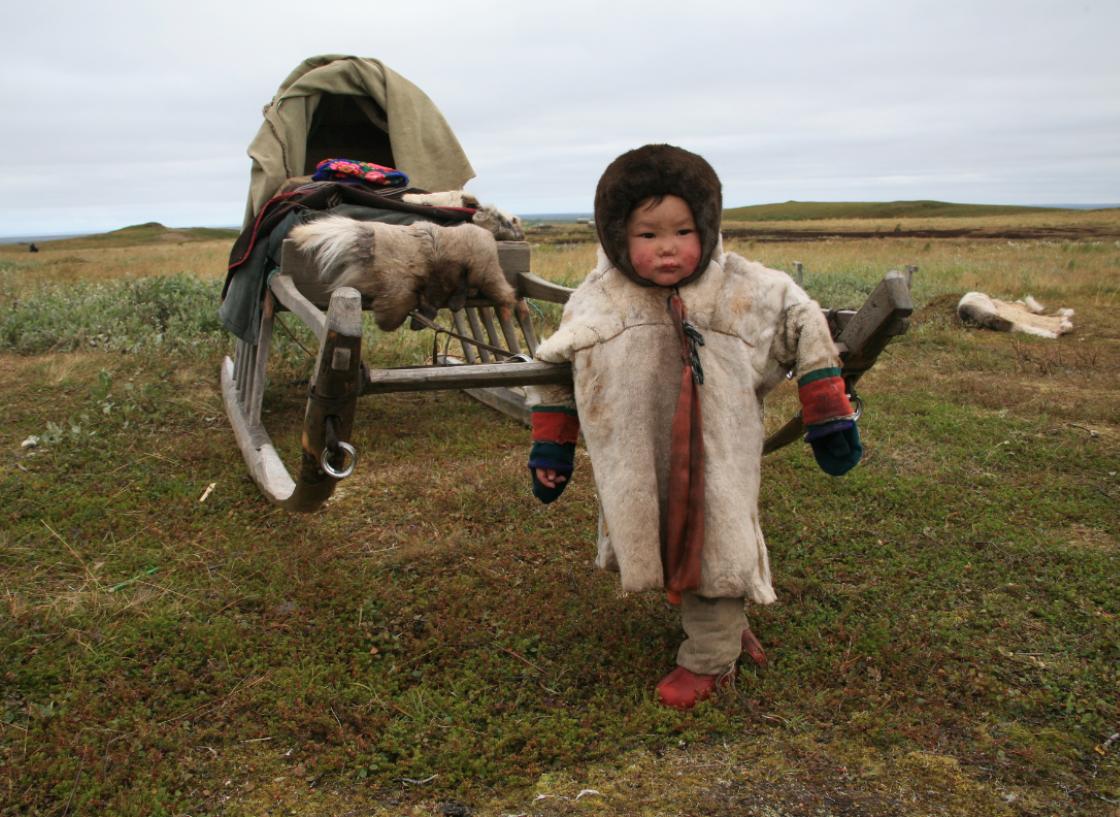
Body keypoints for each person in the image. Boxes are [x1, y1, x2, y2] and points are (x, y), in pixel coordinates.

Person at [526, 144, 862, 710]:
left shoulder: (743, 286)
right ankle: (724, 626)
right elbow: (556, 368)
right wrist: (551, 446)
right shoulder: (599, 298)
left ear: (707, 226)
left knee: (716, 534)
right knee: (667, 533)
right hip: (641, 454)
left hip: (719, 450)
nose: (667, 249)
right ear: (615, 236)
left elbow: (802, 321)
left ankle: (710, 657)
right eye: (647, 234)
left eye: (683, 230)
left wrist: (827, 412)